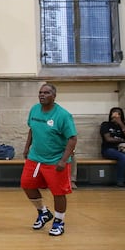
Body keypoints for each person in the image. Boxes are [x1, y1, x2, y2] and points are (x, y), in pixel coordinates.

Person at [21, 83, 77, 236]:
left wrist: (63, 160)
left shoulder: (63, 115)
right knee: (27, 184)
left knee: (58, 192)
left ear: (54, 96)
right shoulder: (34, 109)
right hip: (35, 158)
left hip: (55, 160)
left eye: (46, 93)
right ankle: (43, 212)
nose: (42, 95)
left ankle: (59, 221)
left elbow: (72, 139)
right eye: (40, 92)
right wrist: (27, 147)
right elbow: (32, 129)